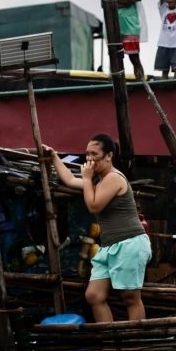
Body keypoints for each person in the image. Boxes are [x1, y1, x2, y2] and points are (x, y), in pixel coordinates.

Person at [45, 134, 151, 322]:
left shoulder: (113, 178)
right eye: (87, 154)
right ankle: (110, 345)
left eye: (94, 154)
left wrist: (86, 179)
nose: (89, 159)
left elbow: (94, 206)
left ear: (108, 156)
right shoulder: (98, 181)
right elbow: (69, 180)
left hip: (129, 243)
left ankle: (135, 347)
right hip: (109, 246)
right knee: (94, 296)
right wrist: (53, 156)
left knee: (130, 297)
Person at [113, 0, 145, 80]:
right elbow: (104, 2)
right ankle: (117, 84)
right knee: (115, 58)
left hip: (131, 25)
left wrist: (114, 0)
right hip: (113, 25)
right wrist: (123, 0)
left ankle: (141, 82)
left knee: (134, 57)